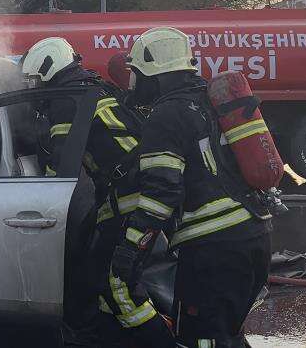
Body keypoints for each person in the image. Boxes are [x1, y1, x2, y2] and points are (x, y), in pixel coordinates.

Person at [115, 27, 272, 348]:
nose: (132, 82)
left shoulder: (166, 114)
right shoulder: (210, 101)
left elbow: (162, 192)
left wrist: (131, 248)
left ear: (153, 75)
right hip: (254, 238)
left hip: (214, 252)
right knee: (227, 335)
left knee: (202, 341)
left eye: (136, 73)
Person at [20, 38, 172, 348]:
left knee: (114, 282)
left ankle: (161, 340)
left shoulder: (68, 100)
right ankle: (108, 338)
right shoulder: (93, 88)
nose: (32, 88)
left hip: (133, 196)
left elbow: (61, 165)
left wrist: (33, 194)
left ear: (48, 68)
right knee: (94, 271)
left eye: (33, 80)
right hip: (137, 191)